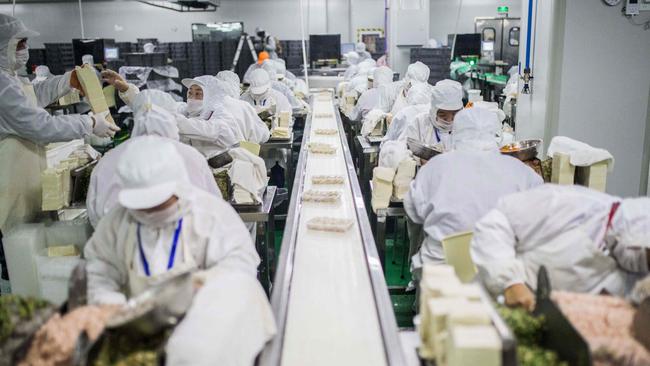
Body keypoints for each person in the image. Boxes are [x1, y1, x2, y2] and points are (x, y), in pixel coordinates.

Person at [84, 136, 260, 305]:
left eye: (158, 203)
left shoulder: (212, 217)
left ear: (178, 187)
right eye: (141, 206)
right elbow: (99, 271)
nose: (149, 211)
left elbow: (240, 268)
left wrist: (204, 286)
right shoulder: (117, 222)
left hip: (206, 322)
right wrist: (110, 303)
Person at [0, 14, 118, 235]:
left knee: (29, 240)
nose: (25, 48)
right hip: (8, 177)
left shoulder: (9, 77)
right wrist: (89, 122)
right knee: (15, 245)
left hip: (24, 174)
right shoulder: (2, 84)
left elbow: (31, 97)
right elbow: (38, 125)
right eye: (20, 43)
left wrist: (67, 80)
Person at [404, 107, 543, 280]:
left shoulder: (434, 168)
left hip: (443, 271)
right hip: (500, 274)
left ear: (457, 131)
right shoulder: (522, 172)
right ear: (495, 133)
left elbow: (413, 212)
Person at [471, 184, 650, 311]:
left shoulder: (640, 275)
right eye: (647, 255)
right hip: (493, 303)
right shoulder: (573, 204)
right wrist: (511, 283)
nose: (644, 265)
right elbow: (495, 223)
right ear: (630, 239)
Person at [86, 90, 221, 228]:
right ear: (172, 118)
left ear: (136, 115)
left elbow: (95, 215)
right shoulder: (191, 156)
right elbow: (214, 208)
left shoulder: (109, 160)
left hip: (123, 245)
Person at [198, 77, 270, 145]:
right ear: (235, 87)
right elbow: (263, 135)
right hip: (243, 154)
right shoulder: (244, 106)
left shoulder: (207, 107)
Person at [404, 79, 463, 151]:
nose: (449, 120)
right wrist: (420, 159)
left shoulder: (467, 126)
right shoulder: (419, 124)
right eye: (443, 116)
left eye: (455, 115)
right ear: (433, 111)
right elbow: (406, 152)